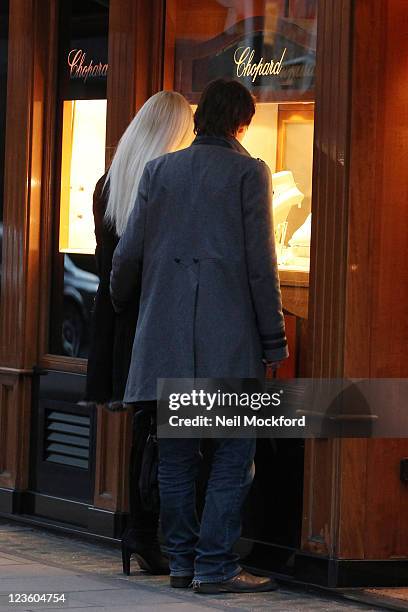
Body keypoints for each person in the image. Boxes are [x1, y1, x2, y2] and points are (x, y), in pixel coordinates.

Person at [109, 79, 288, 593]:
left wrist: (124, 304)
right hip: (228, 343)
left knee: (177, 457)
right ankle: (216, 565)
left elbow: (129, 255)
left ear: (198, 118)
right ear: (242, 123)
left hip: (163, 340)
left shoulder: (158, 170)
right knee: (234, 454)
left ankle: (183, 562)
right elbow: (261, 266)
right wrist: (273, 340)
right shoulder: (249, 173)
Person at [85, 90, 194, 575]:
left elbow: (110, 265)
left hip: (119, 320)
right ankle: (151, 534)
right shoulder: (168, 185)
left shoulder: (109, 184)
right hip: (156, 321)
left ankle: (140, 533)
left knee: (144, 430)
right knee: (164, 434)